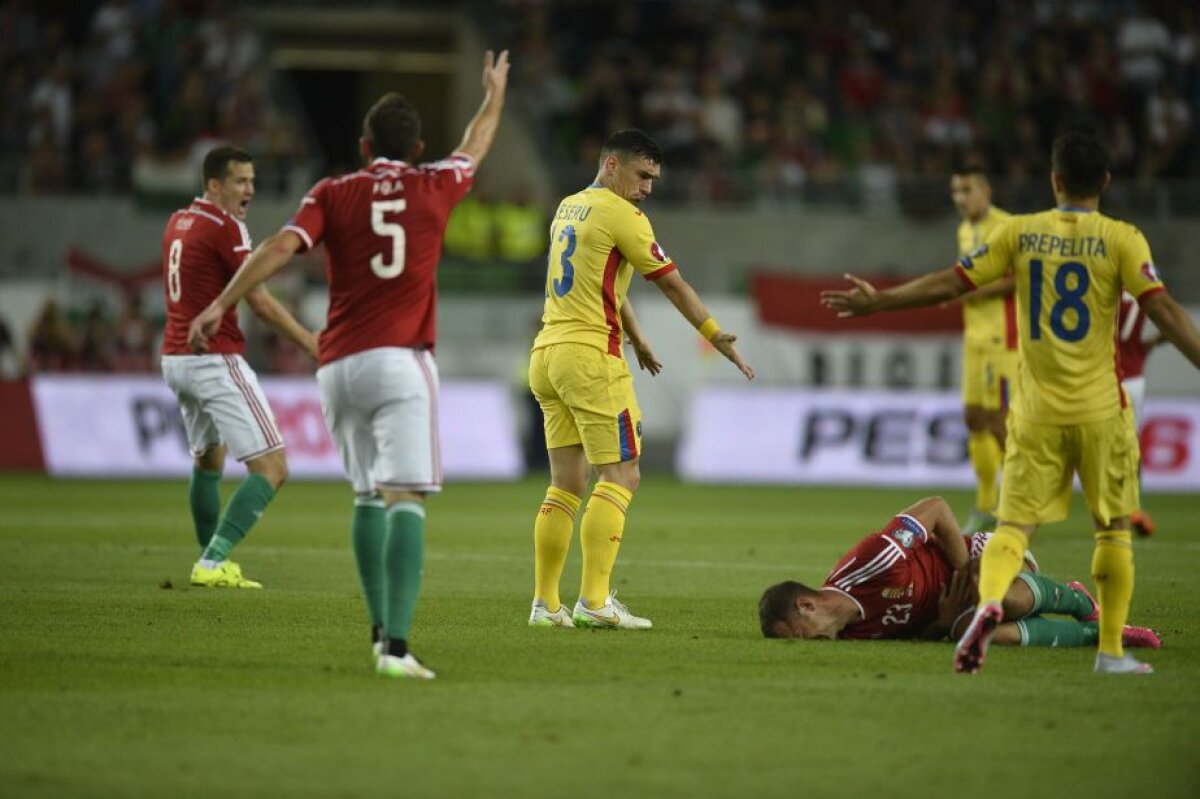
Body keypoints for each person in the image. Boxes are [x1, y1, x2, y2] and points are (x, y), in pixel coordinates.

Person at [821, 131, 1200, 675]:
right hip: (1101, 406)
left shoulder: (1021, 232)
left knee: (1014, 529)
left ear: (1054, 179)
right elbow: (1163, 311)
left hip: (1036, 408)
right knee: (1113, 529)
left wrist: (880, 301)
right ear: (1105, 182)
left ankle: (986, 611)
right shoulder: (1124, 238)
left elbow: (950, 284)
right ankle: (1110, 652)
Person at [189, 50, 511, 680]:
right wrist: (493, 94)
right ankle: (396, 648)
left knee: (365, 495)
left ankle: (377, 631)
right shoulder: (436, 181)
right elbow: (476, 142)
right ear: (417, 148)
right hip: (400, 360)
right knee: (405, 498)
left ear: (365, 148)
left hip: (337, 367)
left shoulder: (331, 191)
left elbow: (280, 247)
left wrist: (221, 303)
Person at [527, 129, 755, 631]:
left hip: (548, 354)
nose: (648, 188)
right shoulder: (623, 214)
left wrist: (639, 337)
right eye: (642, 175)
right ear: (612, 165)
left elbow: (606, 282)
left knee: (566, 482)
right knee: (621, 476)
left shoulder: (569, 206)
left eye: (653, 179)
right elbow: (672, 284)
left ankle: (545, 605)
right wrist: (714, 334)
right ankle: (594, 602)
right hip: (591, 358)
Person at [160, 145, 318, 589]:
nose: (249, 189)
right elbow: (259, 301)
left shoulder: (178, 221)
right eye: (240, 181)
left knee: (208, 460)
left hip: (175, 358)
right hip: (214, 358)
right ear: (214, 185)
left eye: (252, 180)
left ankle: (208, 561)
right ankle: (213, 562)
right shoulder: (225, 226)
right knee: (273, 468)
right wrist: (309, 341)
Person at [758, 496, 1161, 650]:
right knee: (977, 632)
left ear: (806, 605)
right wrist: (943, 623)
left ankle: (1079, 602)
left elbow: (937, 508)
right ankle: (1097, 636)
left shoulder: (871, 563)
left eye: (798, 636)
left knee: (996, 596)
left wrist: (966, 571)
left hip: (979, 555)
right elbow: (919, 636)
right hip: (956, 606)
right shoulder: (851, 635)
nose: (808, 645)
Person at [947, 162, 1015, 534]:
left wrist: (969, 291)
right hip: (974, 337)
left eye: (967, 190)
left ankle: (1015, 505)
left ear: (986, 191)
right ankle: (986, 503)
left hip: (1001, 339)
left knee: (1000, 422)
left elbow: (1019, 277)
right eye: (955, 191)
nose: (960, 198)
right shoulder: (965, 230)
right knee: (974, 418)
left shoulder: (1006, 226)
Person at [1117, 290, 1166, 537]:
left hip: (1108, 375)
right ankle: (1134, 506)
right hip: (1135, 379)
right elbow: (1166, 324)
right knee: (1131, 443)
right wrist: (1148, 345)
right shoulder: (1143, 291)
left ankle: (1111, 505)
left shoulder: (1105, 287)